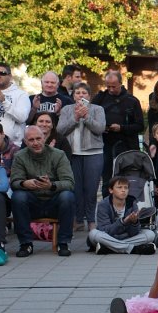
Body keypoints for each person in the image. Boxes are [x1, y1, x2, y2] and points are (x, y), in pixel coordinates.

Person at [10, 125, 75, 257]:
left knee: (68, 196)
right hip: (32, 201)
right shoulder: (20, 156)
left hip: (54, 201)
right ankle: (25, 243)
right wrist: (24, 183)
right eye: (31, 140)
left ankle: (63, 242)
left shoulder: (59, 155)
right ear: (25, 142)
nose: (36, 143)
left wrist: (51, 185)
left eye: (38, 138)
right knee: (17, 196)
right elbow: (14, 182)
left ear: (44, 138)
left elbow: (69, 183)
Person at [57, 82, 105, 231]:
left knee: (91, 190)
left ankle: (91, 220)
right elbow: (60, 130)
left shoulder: (97, 109)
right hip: (73, 155)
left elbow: (100, 128)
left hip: (93, 153)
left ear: (89, 96)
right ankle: (78, 220)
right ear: (73, 96)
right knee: (75, 189)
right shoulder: (66, 109)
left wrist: (86, 117)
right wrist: (75, 117)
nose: (80, 95)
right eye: (77, 93)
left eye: (84, 93)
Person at [94, 70, 143, 188]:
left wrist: (121, 128)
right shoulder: (100, 99)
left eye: (114, 86)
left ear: (121, 83)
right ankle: (107, 204)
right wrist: (101, 127)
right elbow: (91, 119)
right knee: (107, 181)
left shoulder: (132, 101)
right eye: (108, 86)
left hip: (127, 146)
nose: (110, 89)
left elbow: (140, 126)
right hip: (106, 146)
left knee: (126, 181)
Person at [87, 176, 158, 254]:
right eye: (119, 187)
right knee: (93, 233)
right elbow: (105, 230)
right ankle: (133, 249)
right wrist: (123, 222)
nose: (123, 190)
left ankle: (109, 248)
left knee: (150, 234)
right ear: (111, 190)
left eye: (126, 188)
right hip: (109, 236)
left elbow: (134, 233)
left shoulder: (132, 203)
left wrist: (134, 223)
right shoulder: (103, 205)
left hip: (125, 237)